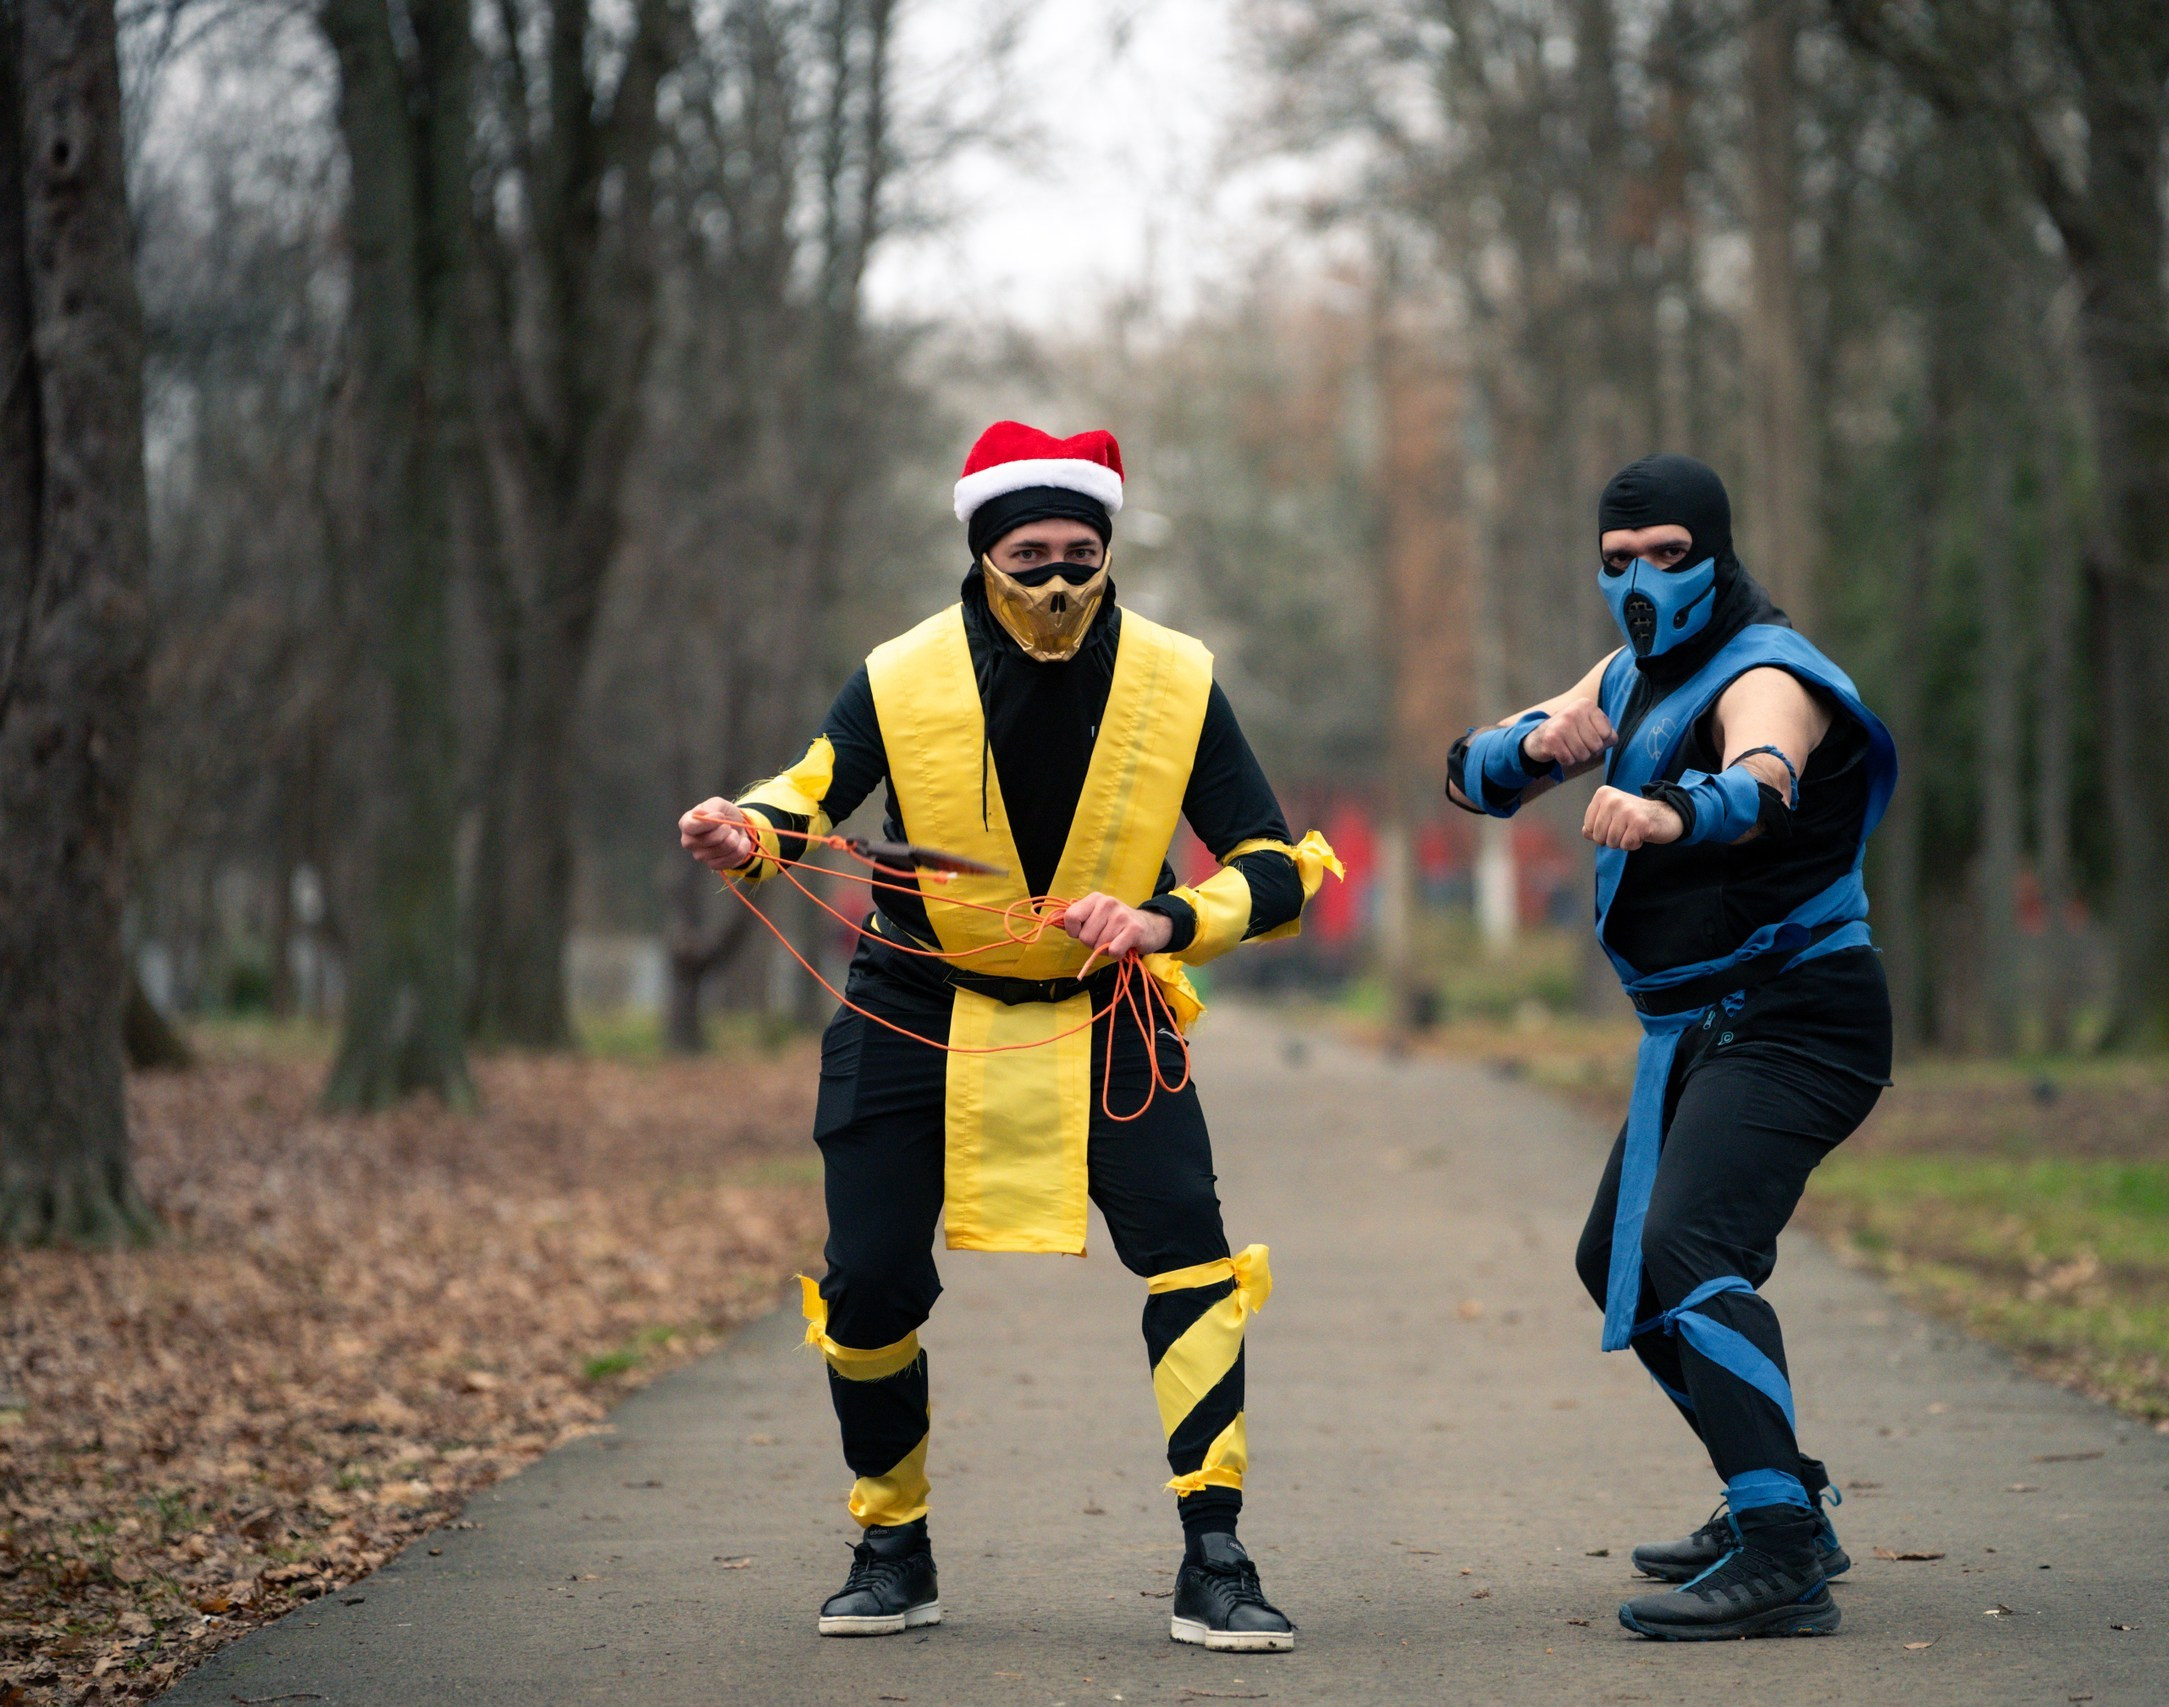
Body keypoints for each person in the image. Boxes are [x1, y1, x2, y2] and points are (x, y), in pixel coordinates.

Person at [679, 420, 1336, 1653]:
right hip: (908, 1010)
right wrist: (745, 832)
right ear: (982, 552)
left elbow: (1278, 864)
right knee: (867, 1281)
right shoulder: (902, 673)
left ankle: (1216, 1554)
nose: (1056, 580)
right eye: (1027, 553)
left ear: (1110, 550)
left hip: (1110, 1011)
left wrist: (1164, 917)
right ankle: (891, 1543)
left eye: (1080, 553)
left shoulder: (1176, 677)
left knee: (1191, 1260)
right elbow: (808, 785)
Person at [1445, 454, 1895, 1641]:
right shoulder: (1636, 668)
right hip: (1704, 1028)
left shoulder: (1769, 671)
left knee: (1690, 1243)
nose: (1640, 579)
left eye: (1666, 555)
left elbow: (1762, 779)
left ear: (1715, 549)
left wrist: (1668, 809)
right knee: (1623, 1265)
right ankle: (1777, 1494)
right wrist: (1538, 749)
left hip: (1800, 1016)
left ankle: (1781, 1551)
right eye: (1616, 561)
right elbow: (1477, 772)